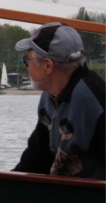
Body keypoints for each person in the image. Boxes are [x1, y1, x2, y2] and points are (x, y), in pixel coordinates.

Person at [13, 22, 105, 179]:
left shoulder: (94, 101)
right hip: (63, 195)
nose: (26, 67)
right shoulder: (50, 96)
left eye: (27, 59)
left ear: (48, 66)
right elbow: (36, 157)